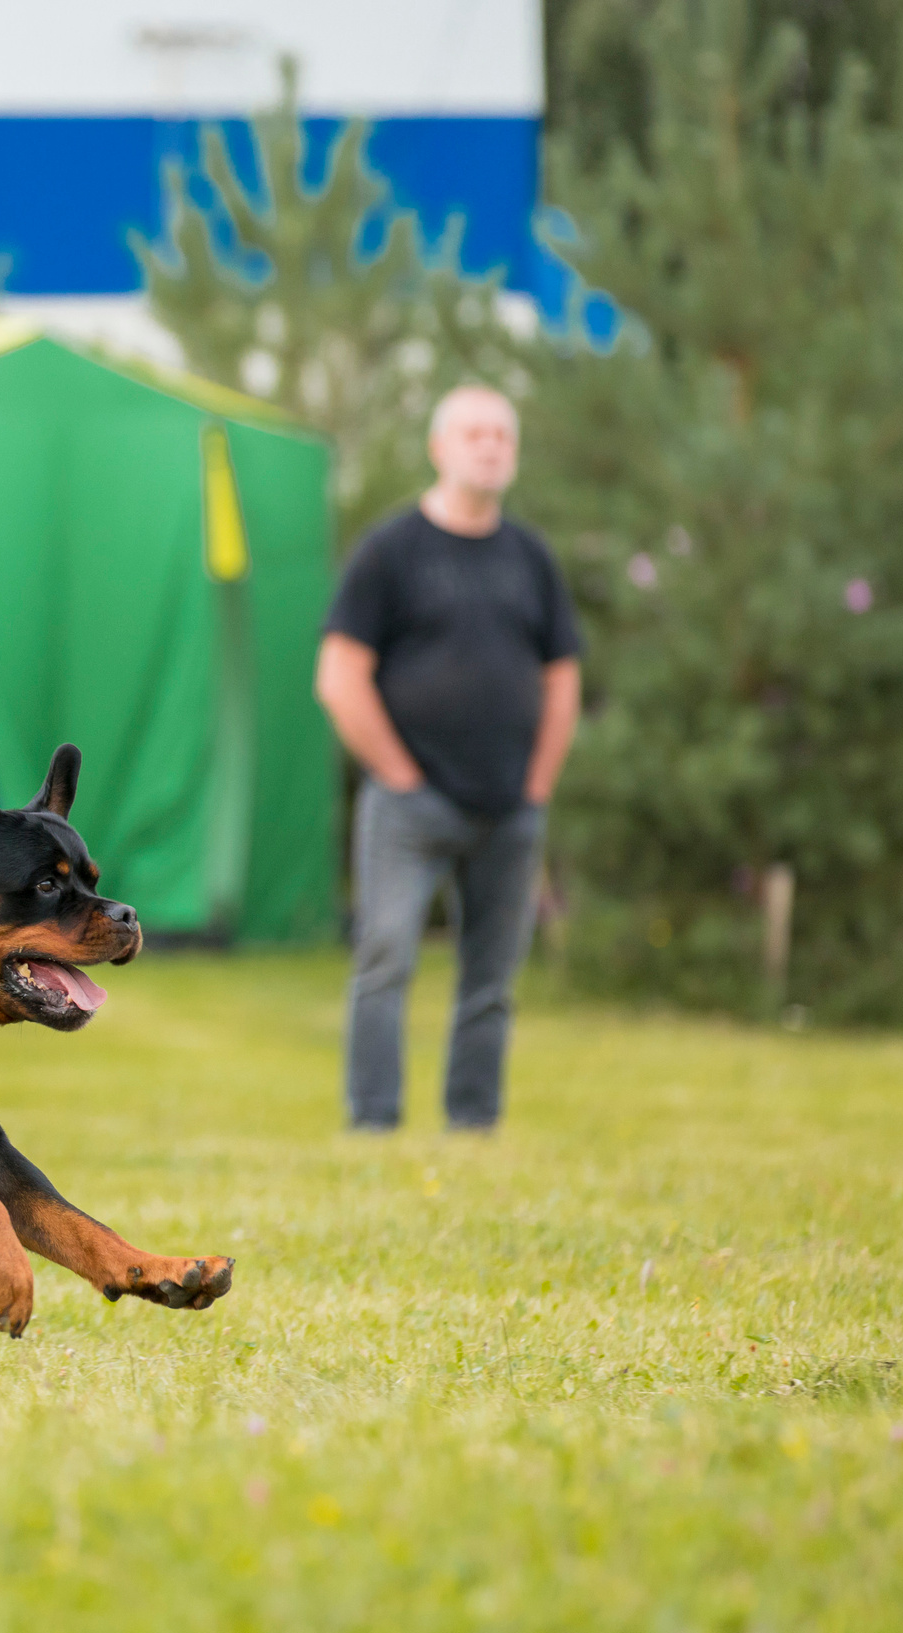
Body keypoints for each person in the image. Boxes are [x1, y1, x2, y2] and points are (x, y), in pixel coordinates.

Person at [314, 386, 582, 1134]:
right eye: (474, 433)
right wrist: (398, 773)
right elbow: (338, 676)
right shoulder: (391, 551)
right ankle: (373, 1122)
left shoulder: (531, 558)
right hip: (410, 805)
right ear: (439, 449)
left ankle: (475, 1121)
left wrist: (538, 783)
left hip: (511, 806)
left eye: (502, 433)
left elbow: (562, 677)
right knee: (385, 962)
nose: (491, 445)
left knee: (492, 981)